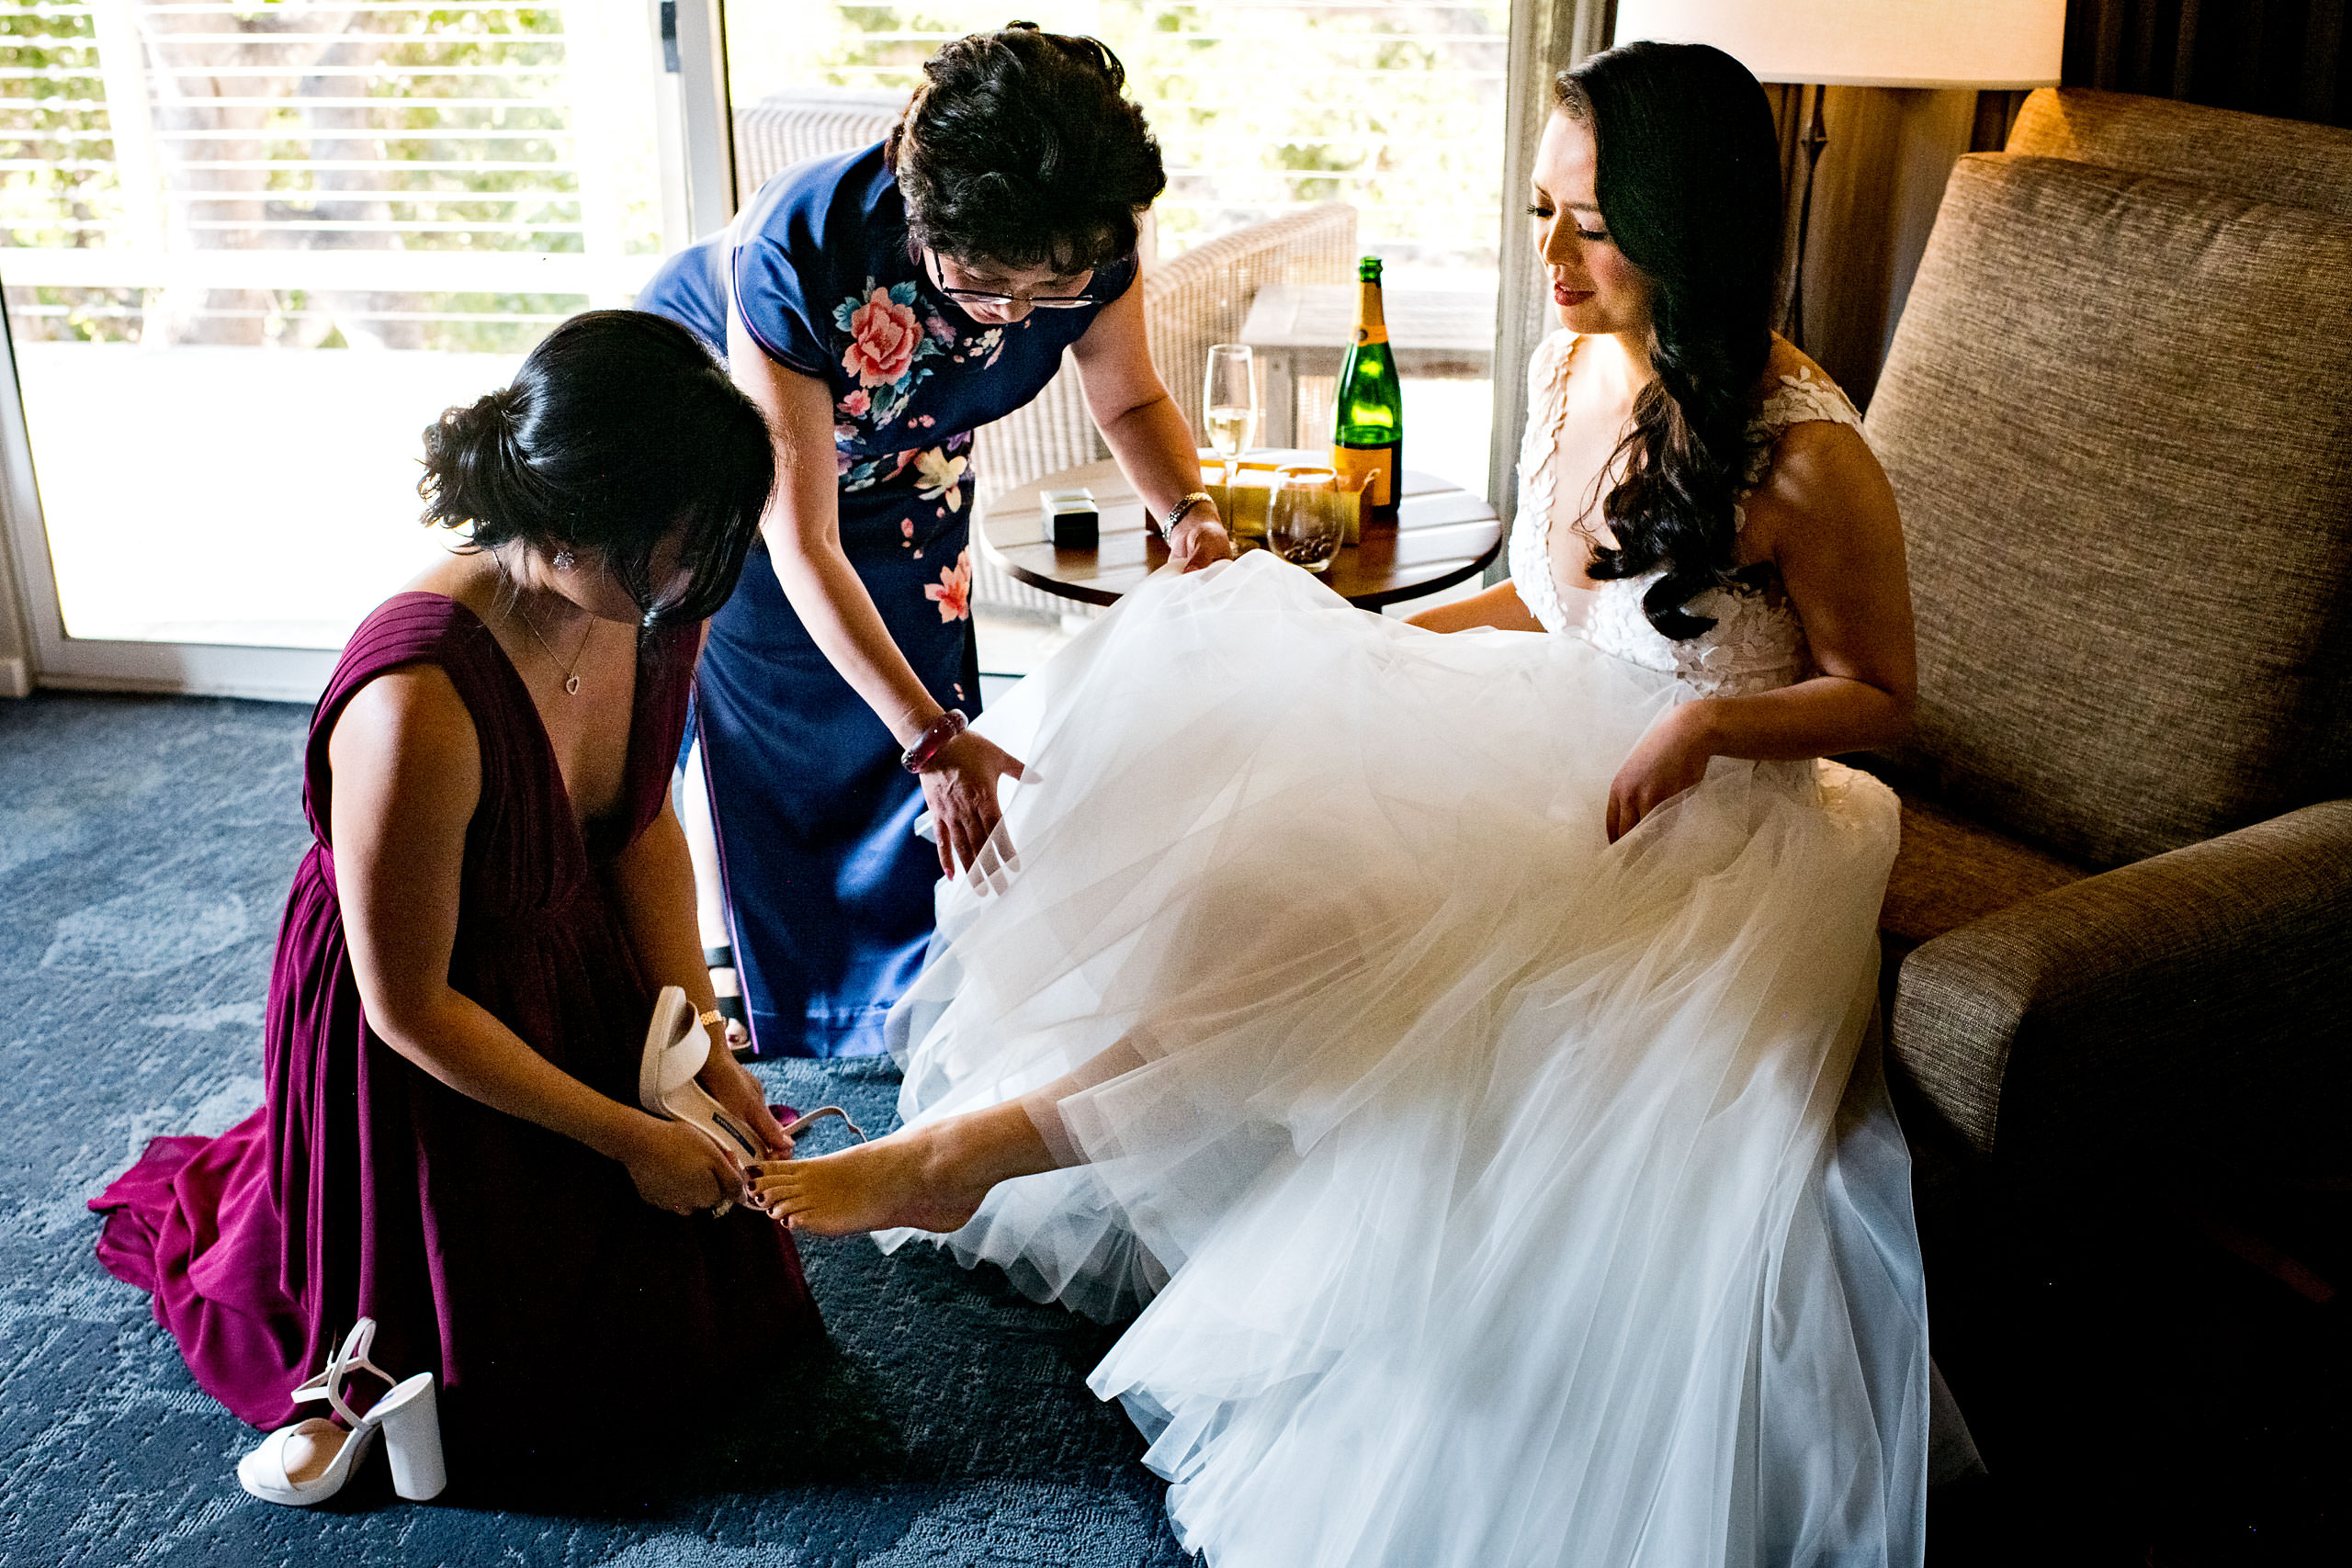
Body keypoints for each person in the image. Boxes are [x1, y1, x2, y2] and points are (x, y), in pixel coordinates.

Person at [745, 40, 1938, 1568]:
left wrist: (1711, 722)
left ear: (1685, 220)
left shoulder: (1809, 456)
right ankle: (1009, 1135)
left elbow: (1889, 703)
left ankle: (962, 1156)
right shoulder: (1579, 362)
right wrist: (1344, 651)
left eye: (1593, 222)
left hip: (1718, 814)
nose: (1555, 259)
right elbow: (1541, 604)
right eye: (1540, 214)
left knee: (1365, 936)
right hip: (1555, 735)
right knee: (1249, 806)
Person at [88, 310, 821, 1480]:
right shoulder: (420, 699)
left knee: (714, 1303)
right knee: (524, 1386)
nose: (688, 581)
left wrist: (700, 1043)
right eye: (668, 549)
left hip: (564, 951)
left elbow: (638, 824)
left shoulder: (641, 606)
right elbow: (410, 1005)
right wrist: (629, 1138)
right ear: (572, 514)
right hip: (430, 1007)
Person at [638, 24, 1232, 1060]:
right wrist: (925, 740)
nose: (1012, 314)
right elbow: (801, 539)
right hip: (729, 460)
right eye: (983, 282)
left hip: (909, 459)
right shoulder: (802, 246)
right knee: (809, 734)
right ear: (924, 217)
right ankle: (781, 1001)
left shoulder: (1083, 245)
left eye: (1043, 291)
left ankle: (900, 995)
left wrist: (1191, 517)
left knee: (939, 707)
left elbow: (1129, 398)